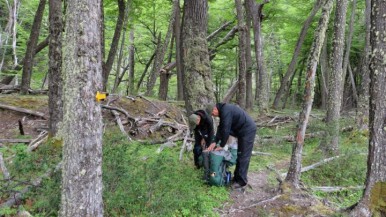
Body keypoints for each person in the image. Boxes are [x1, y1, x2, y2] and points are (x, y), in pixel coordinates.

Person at [205, 103, 257, 189]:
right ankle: (236, 178)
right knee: (240, 154)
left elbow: (226, 129)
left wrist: (221, 145)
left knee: (243, 156)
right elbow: (220, 128)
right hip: (240, 130)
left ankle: (241, 182)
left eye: (212, 113)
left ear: (215, 109)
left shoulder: (226, 110)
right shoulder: (224, 111)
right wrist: (214, 141)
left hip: (247, 130)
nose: (213, 115)